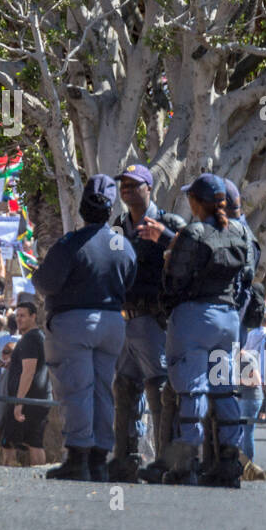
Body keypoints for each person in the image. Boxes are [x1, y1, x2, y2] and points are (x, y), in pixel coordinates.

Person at [32, 174, 137, 482]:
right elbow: (129, 281)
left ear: (82, 208)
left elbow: (45, 283)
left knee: (77, 389)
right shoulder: (123, 245)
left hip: (74, 323)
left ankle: (78, 458)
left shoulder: (70, 242)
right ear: (110, 208)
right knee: (103, 390)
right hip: (112, 324)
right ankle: (99, 459)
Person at [159, 173, 253, 487]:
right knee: (224, 389)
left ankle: (187, 466)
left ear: (197, 202)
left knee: (193, 389)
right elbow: (247, 280)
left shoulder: (193, 232)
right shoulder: (239, 232)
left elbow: (174, 280)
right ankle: (229, 465)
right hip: (227, 318)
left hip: (193, 317)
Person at [108, 163, 186, 483]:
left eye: (133, 184)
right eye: (123, 184)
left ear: (149, 188)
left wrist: (165, 238)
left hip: (154, 320)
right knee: (123, 387)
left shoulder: (168, 222)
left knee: (159, 388)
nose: (126, 189)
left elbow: (190, 253)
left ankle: (166, 463)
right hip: (124, 323)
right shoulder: (118, 225)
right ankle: (126, 459)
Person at [0, 300, 50, 468]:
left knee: (12, 445)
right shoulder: (36, 337)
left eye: (23, 316)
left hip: (27, 401)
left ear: (33, 317)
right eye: (17, 316)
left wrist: (18, 403)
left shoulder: (30, 339)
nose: (19, 319)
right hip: (35, 399)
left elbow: (29, 372)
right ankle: (36, 483)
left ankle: (10, 483)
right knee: (33, 442)